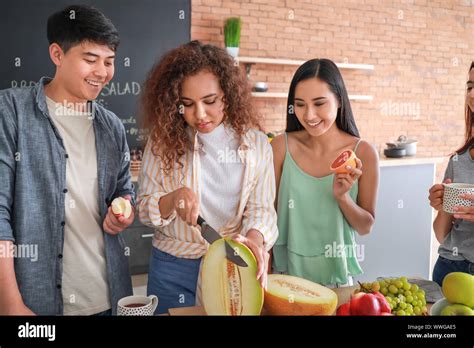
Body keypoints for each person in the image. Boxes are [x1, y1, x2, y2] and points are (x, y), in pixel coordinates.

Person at [0, 5, 135, 315]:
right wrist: (10, 304)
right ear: (57, 54)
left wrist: (123, 209)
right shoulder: (11, 112)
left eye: (109, 61)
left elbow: (122, 189)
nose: (102, 72)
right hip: (35, 302)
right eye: (90, 59)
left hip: (110, 298)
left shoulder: (111, 125)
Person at [138, 41, 278, 314]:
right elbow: (143, 208)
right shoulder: (162, 141)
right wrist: (172, 200)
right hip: (172, 266)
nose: (199, 115)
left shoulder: (258, 144)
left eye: (210, 101)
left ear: (227, 93)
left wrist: (254, 240)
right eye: (187, 104)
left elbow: (262, 210)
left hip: (231, 262)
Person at [271, 59, 379, 287]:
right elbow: (267, 218)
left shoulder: (364, 153)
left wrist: (342, 197)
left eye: (319, 103)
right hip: (284, 278)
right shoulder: (280, 147)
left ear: (339, 100)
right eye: (300, 104)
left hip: (337, 282)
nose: (309, 115)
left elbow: (365, 226)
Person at [429, 61, 474, 286]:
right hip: (448, 267)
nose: (472, 94)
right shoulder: (459, 159)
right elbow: (441, 235)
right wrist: (444, 204)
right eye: (469, 87)